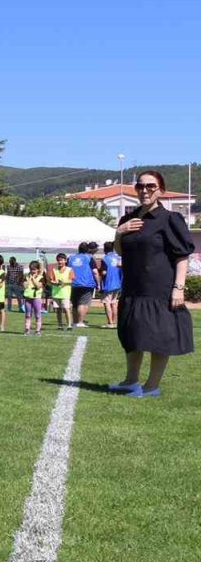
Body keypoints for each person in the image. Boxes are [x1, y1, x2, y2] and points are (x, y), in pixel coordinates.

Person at [108, 170, 195, 397]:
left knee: (158, 337)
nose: (144, 190)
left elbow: (182, 255)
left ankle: (151, 386)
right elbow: (120, 250)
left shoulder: (169, 219)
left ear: (161, 190)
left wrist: (179, 288)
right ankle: (130, 381)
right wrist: (119, 233)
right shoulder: (128, 219)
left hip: (159, 289)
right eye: (140, 186)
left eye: (150, 186)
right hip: (133, 287)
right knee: (132, 335)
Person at [68, 242, 98, 327]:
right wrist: (98, 283)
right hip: (86, 284)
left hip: (73, 283)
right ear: (87, 249)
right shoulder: (89, 258)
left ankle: (74, 321)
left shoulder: (70, 258)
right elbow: (95, 272)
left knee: (75, 304)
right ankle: (80, 322)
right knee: (83, 304)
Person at [47, 252, 73, 330]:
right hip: (56, 293)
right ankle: (60, 325)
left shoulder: (69, 270)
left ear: (65, 261)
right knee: (58, 310)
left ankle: (69, 325)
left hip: (65, 293)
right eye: (58, 260)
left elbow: (71, 281)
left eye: (62, 260)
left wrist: (64, 282)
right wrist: (54, 283)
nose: (60, 262)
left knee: (66, 308)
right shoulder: (54, 270)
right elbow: (51, 280)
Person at [99, 240, 122, 329]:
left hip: (108, 284)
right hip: (117, 283)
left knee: (107, 303)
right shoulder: (118, 257)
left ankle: (110, 322)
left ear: (105, 249)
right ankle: (114, 322)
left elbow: (104, 272)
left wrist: (100, 271)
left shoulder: (105, 259)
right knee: (114, 303)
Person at [23, 260, 47, 335]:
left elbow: (38, 286)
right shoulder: (26, 276)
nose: (32, 271)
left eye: (34, 269)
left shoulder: (41, 277)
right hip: (28, 298)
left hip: (37, 298)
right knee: (27, 314)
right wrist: (30, 278)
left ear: (38, 269)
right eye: (31, 269)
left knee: (37, 314)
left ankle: (38, 330)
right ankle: (27, 329)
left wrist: (33, 278)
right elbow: (25, 285)